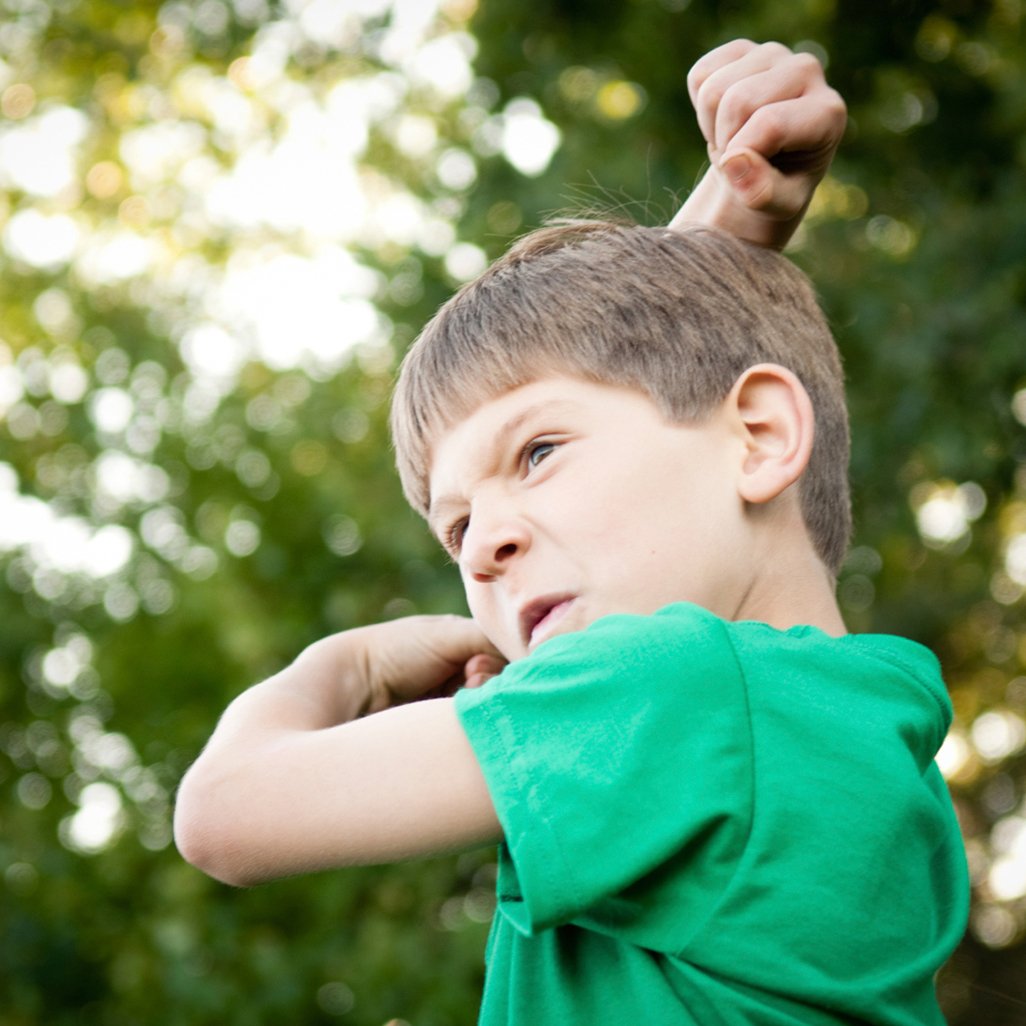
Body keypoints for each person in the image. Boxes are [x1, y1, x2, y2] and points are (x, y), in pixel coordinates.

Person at [174, 40, 969, 1026]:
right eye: (454, 523)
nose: (476, 549)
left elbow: (223, 814)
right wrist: (732, 223)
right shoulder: (865, 726)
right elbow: (663, 390)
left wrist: (353, 665)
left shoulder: (678, 688)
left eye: (539, 454)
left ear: (762, 436)